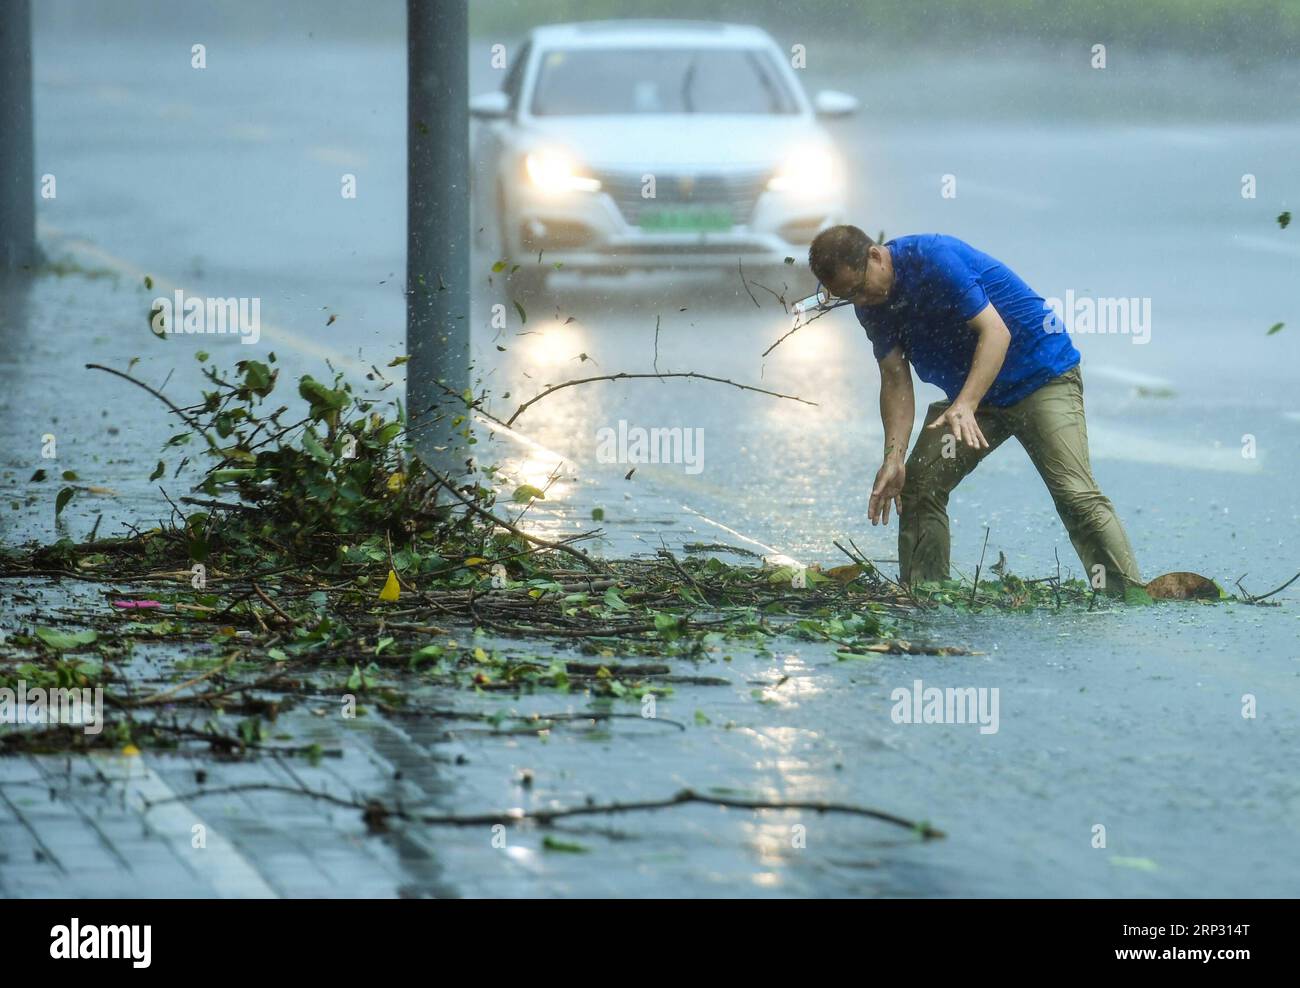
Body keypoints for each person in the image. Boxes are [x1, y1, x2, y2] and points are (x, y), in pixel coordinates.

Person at [808, 225, 1142, 595]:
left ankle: (1127, 594)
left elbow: (996, 333)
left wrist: (965, 404)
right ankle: (926, 594)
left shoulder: (932, 259)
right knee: (918, 484)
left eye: (858, 288)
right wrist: (894, 456)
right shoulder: (870, 305)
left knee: (1074, 494)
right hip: (976, 397)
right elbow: (895, 379)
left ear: (875, 256)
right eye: (847, 296)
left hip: (1039, 376)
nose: (860, 301)